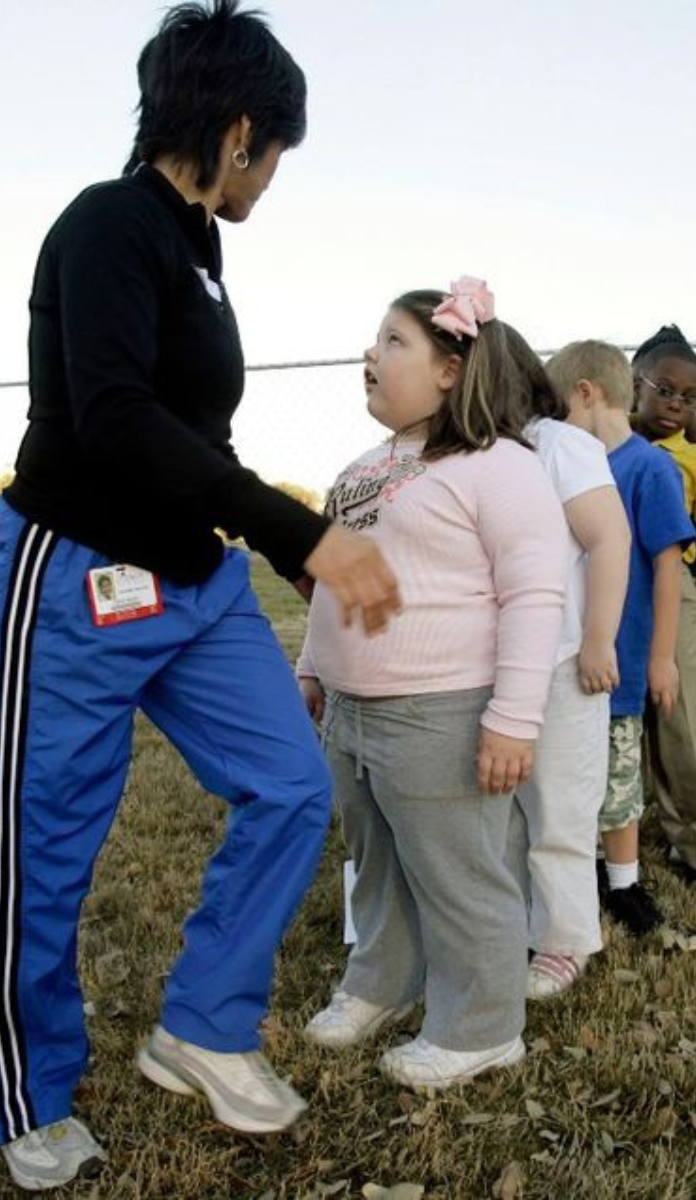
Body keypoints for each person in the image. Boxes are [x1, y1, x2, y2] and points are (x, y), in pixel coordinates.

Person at [0, 3, 400, 1191]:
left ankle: (203, 1025)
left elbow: (194, 435)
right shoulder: (107, 225)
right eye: (274, 155)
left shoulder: (198, 251)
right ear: (238, 133)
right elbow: (115, 418)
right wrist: (300, 530)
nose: (271, 180)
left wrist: (274, 548)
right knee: (42, 853)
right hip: (76, 575)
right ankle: (28, 1095)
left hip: (194, 583)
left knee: (290, 785)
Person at [299, 280, 569, 1090]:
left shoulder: (500, 466)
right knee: (375, 861)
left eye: (393, 341)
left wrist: (513, 719)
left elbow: (535, 594)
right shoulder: (363, 468)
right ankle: (383, 982)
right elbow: (335, 580)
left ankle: (482, 1028)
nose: (369, 355)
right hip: (352, 710)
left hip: (442, 711)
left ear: (450, 370)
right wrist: (312, 666)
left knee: (460, 875)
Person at [547, 340, 694, 934]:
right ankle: (579, 873)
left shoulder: (647, 467)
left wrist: (661, 657)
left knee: (618, 776)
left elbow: (668, 564)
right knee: (573, 777)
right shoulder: (561, 463)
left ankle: (625, 883)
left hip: (623, 654)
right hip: (567, 650)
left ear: (586, 393)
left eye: (557, 407)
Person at [499, 331, 630, 999]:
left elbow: (609, 538)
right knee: (507, 809)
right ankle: (512, 923)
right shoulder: (477, 449)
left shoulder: (558, 443)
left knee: (559, 805)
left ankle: (565, 937)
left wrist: (598, 640)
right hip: (498, 661)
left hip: (562, 656)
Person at [630, 325, 696, 885]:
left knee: (685, 721)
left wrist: (692, 607)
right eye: (664, 391)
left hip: (678, 590)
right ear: (634, 384)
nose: (675, 405)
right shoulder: (602, 445)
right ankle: (612, 831)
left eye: (689, 398)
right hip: (612, 592)